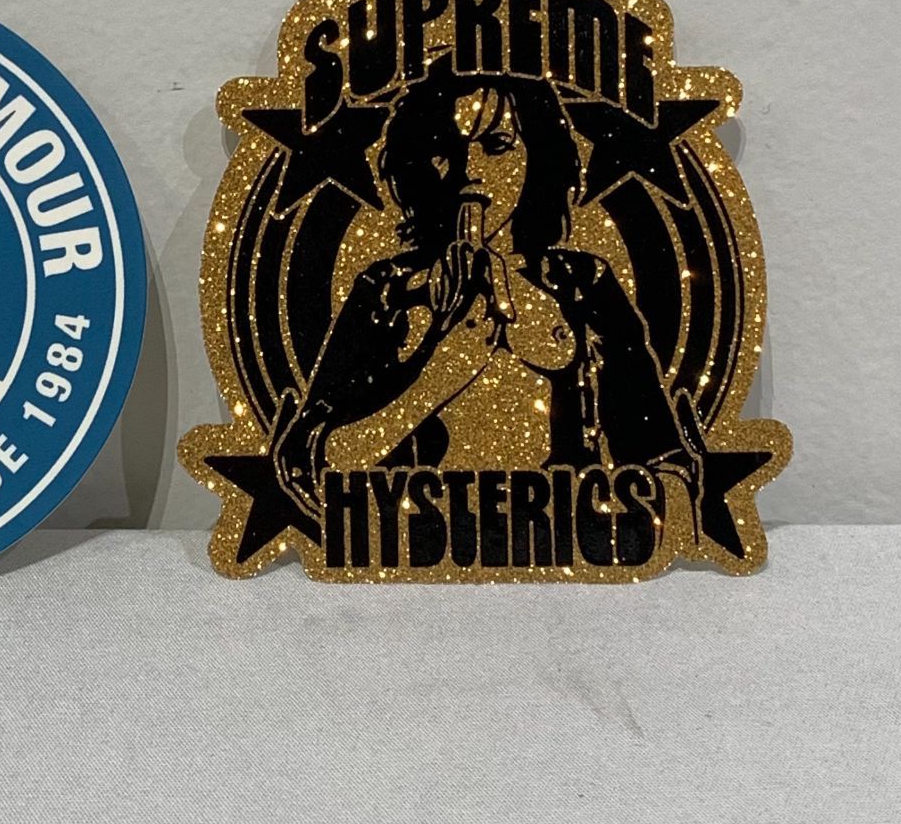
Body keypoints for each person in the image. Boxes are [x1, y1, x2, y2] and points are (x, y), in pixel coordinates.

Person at [270, 56, 699, 522]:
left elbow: (666, 467)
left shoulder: (583, 284)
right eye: (443, 150)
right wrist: (438, 375)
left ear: (538, 154)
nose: (469, 169)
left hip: (568, 538)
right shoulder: (386, 289)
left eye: (497, 145)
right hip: (416, 538)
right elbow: (310, 465)